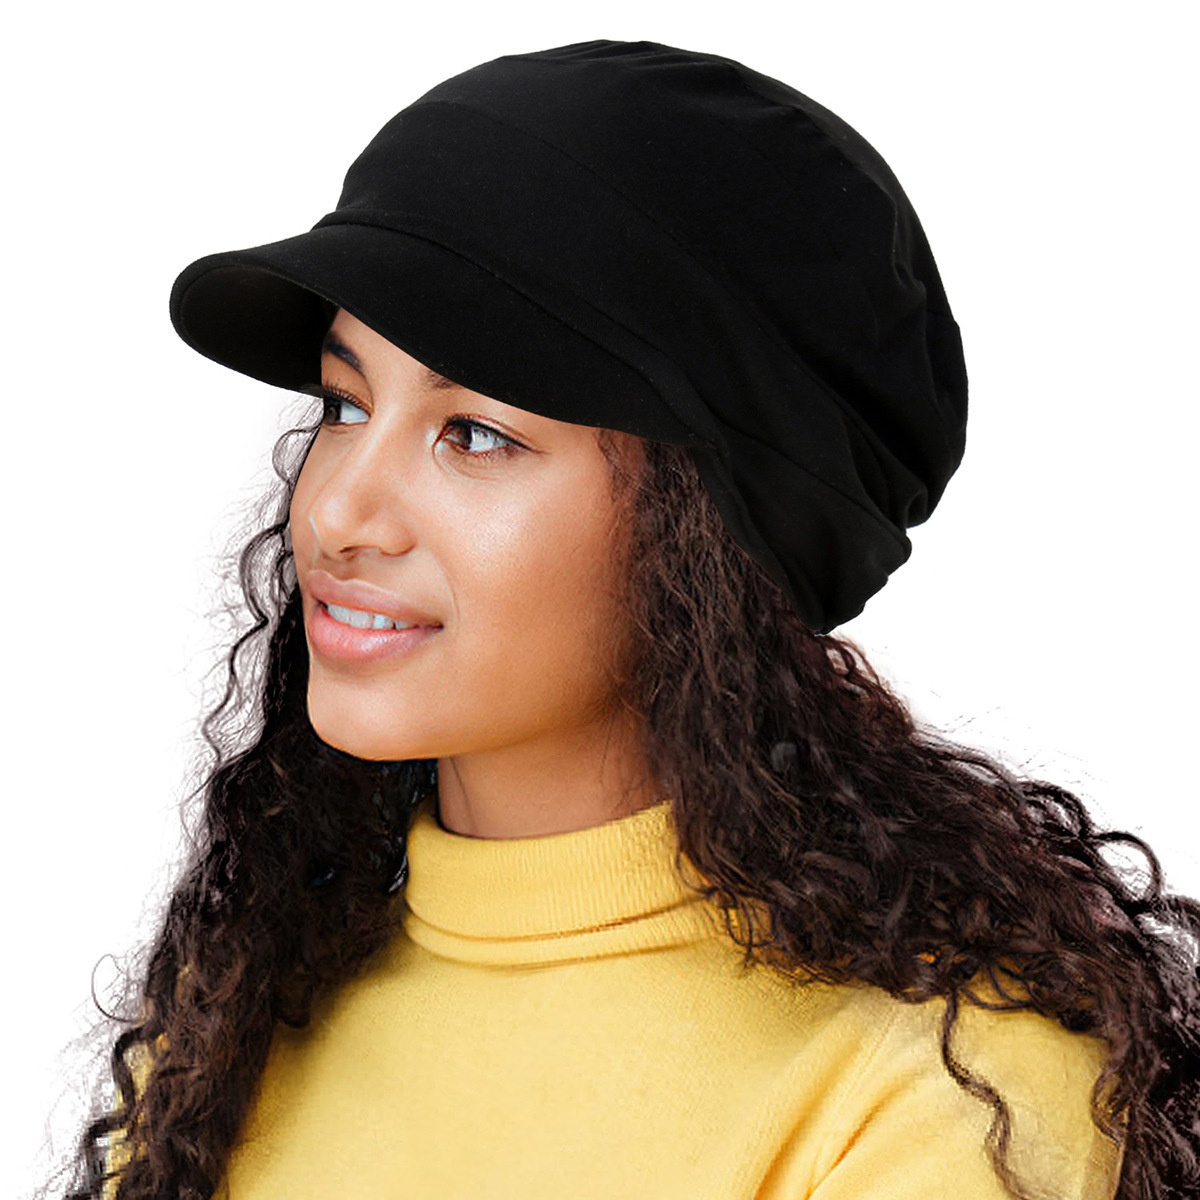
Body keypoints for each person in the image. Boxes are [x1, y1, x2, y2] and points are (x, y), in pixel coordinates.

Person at [50, 38, 1197, 1200]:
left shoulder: (935, 1092)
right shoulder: (233, 1023)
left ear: (711, 537)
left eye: (475, 434)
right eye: (345, 405)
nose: (338, 511)